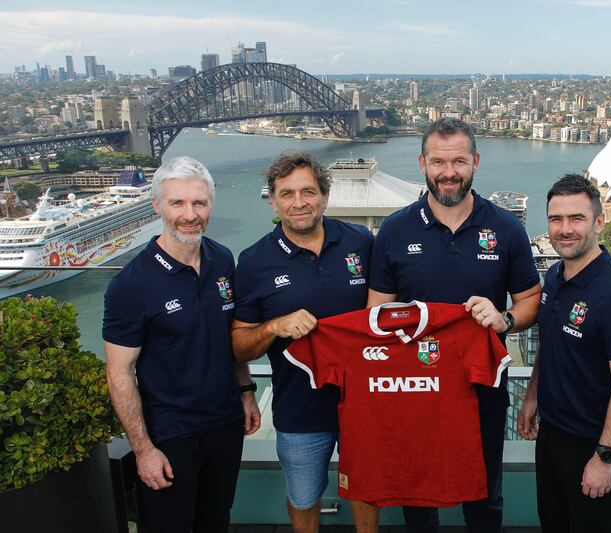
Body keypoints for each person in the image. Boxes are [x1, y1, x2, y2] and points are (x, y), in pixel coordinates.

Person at [367, 117, 542, 533]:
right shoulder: (394, 230)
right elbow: (376, 314)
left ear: (476, 162)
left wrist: (506, 320)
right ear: (422, 163)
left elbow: (531, 300)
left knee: (483, 495)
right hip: (415, 390)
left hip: (481, 389)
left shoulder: (506, 228)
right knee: (417, 494)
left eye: (459, 161)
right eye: (439, 162)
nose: (449, 172)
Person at [104, 156, 261, 533]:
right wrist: (143, 449)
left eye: (199, 203)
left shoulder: (222, 259)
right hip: (170, 434)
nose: (190, 215)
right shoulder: (131, 285)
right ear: (157, 205)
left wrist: (245, 391)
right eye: (177, 203)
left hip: (225, 425)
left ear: (210, 205)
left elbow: (230, 336)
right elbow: (119, 373)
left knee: (216, 521)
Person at [230, 151, 375, 533]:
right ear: (273, 200)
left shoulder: (361, 242)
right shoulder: (254, 261)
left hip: (363, 402)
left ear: (325, 196)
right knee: (304, 498)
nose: (299, 202)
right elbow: (239, 345)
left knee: (366, 488)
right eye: (287, 193)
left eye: (308, 191)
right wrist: (273, 327)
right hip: (299, 409)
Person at [517, 174, 611, 533]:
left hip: (593, 444)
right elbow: (551, 342)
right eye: (556, 219)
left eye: (577, 218)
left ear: (599, 222)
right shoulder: (557, 274)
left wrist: (605, 458)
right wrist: (532, 397)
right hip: (552, 434)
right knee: (553, 524)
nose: (565, 229)